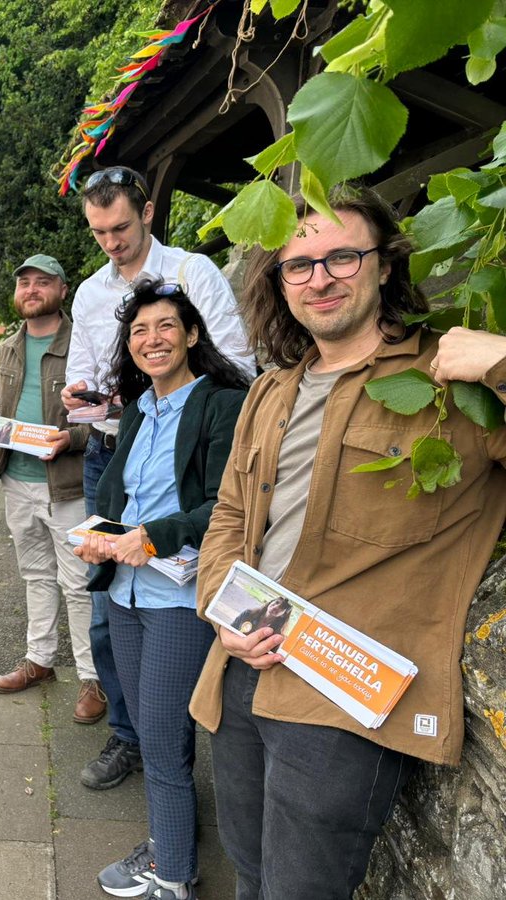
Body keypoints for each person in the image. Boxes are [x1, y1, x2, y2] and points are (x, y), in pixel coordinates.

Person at [192, 185, 506, 899]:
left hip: (341, 702)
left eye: (343, 257)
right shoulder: (271, 391)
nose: (320, 278)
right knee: (248, 873)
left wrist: (501, 363)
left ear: (385, 264)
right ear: (280, 283)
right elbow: (230, 517)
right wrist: (220, 608)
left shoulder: (447, 381)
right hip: (240, 669)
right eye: (299, 265)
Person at [61, 165, 256, 793]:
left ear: (147, 213)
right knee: (107, 607)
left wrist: (168, 398)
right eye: (99, 233)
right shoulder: (90, 292)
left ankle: (168, 734)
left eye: (120, 227)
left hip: (184, 452)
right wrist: (82, 395)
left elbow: (238, 367)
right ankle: (132, 735)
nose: (111, 243)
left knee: (179, 590)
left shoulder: (193, 272)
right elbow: (87, 373)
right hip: (115, 450)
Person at [75, 280, 248, 900]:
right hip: (124, 592)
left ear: (193, 334)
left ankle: (172, 876)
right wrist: (99, 535)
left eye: (166, 326)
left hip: (179, 597)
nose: (152, 339)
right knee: (152, 733)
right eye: (139, 330)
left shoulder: (223, 404)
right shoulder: (138, 409)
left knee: (163, 737)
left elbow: (227, 504)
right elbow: (121, 497)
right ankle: (169, 844)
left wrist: (152, 538)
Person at [0, 254, 100, 722]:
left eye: (43, 282)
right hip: (18, 480)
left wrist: (71, 439)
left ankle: (93, 678)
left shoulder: (83, 344)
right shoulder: (10, 347)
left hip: (68, 487)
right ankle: (40, 660)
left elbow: (104, 417)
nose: (31, 289)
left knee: (79, 584)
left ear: (62, 290)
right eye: (25, 282)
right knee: (35, 575)